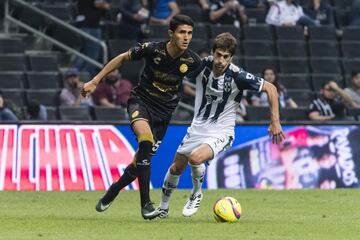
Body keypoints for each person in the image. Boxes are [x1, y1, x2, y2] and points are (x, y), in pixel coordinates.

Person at [81, 15, 202, 219]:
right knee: (145, 141)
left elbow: (207, 80)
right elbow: (122, 58)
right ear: (171, 34)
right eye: (182, 32)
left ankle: (113, 191)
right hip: (141, 103)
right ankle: (146, 205)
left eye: (190, 33)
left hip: (164, 115)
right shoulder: (152, 49)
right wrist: (95, 80)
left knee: (139, 164)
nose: (186, 37)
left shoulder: (192, 61)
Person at [156, 32, 285, 218]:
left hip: (221, 131)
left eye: (225, 57)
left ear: (231, 58)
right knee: (175, 168)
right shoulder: (201, 66)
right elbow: (177, 67)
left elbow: (271, 89)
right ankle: (163, 207)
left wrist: (274, 121)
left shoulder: (238, 76)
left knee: (195, 158)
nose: (220, 60)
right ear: (212, 52)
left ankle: (196, 193)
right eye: (218, 55)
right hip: (197, 128)